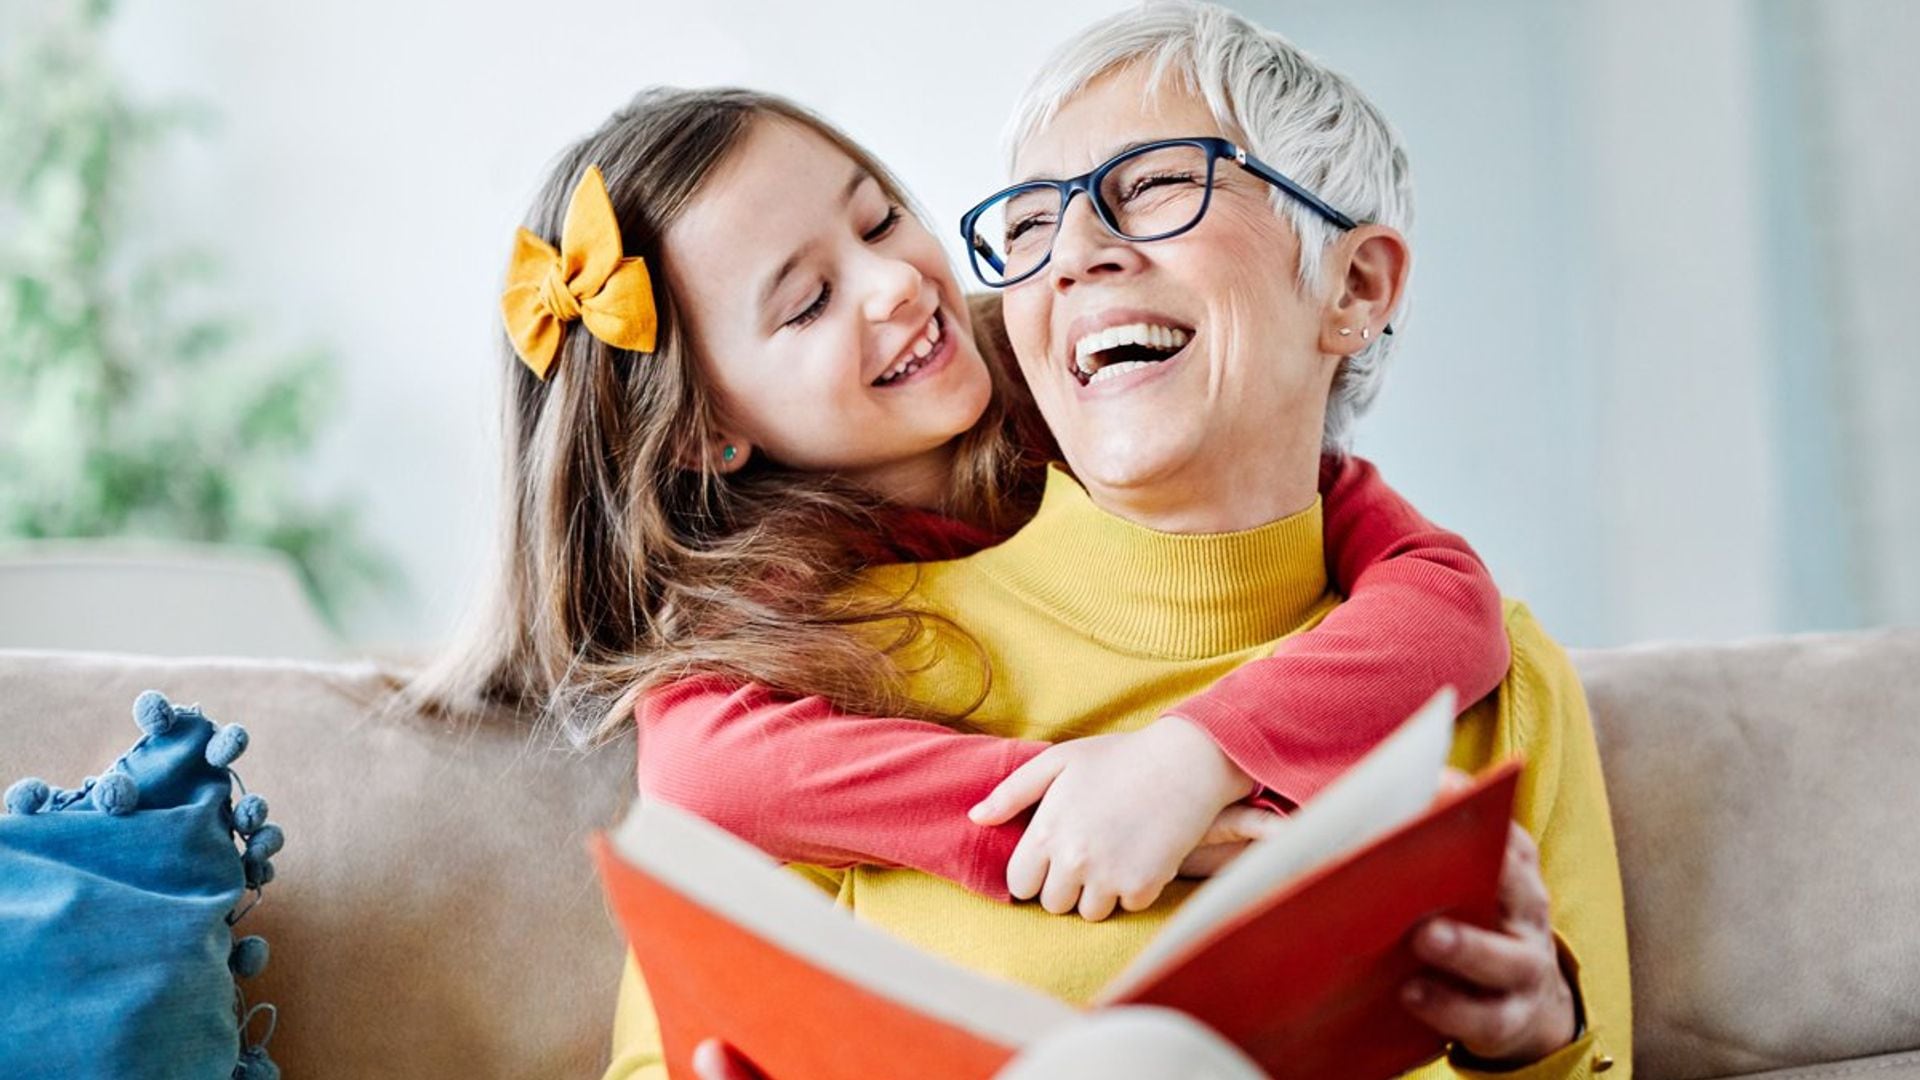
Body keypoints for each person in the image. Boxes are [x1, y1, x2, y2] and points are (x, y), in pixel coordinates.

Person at [600, 3, 1633, 1078]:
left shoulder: (1499, 681)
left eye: (1152, 187)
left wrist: (1534, 1045)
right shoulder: (830, 666)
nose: (1077, 255)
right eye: (1034, 224)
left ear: (1356, 287)